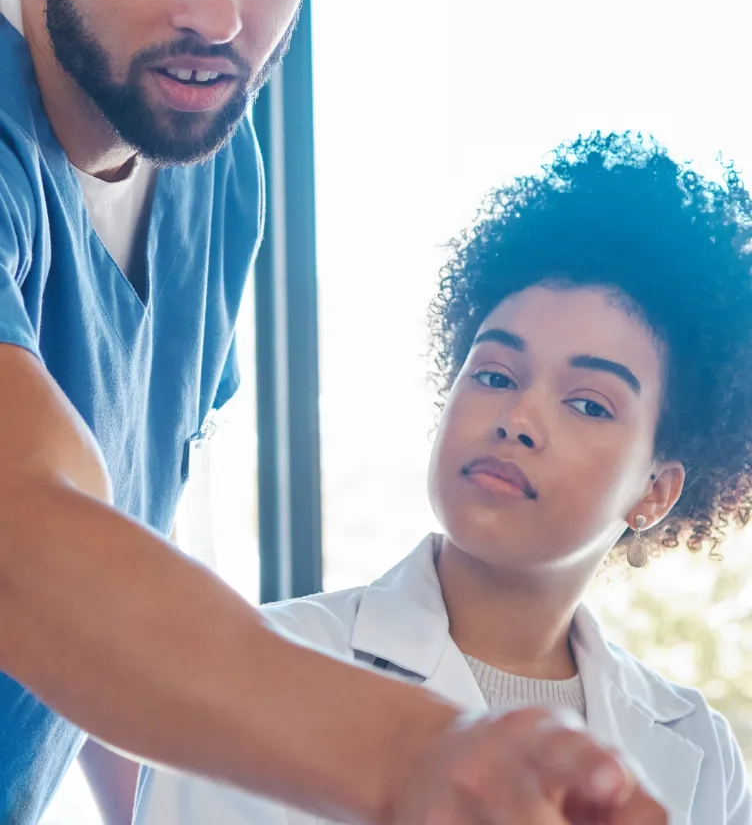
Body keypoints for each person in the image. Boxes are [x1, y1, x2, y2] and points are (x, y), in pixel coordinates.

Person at [0, 0, 667, 823]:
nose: (218, 17)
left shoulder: (210, 159)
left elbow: (126, 536)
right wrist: (418, 754)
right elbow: (26, 535)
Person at [137, 132, 752, 825]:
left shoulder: (699, 749)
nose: (518, 417)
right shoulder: (267, 672)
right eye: (494, 374)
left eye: (587, 403)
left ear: (657, 491)